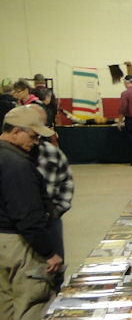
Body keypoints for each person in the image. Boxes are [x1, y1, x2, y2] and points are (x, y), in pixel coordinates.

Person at [0, 106, 62, 320]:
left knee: (4, 310)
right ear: (15, 132)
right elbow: (28, 216)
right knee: (31, 306)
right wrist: (48, 253)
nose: (35, 142)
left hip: (3, 243)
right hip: (19, 244)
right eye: (33, 136)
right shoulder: (17, 165)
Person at [27, 105, 73, 262]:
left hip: (50, 221)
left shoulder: (51, 152)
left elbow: (67, 182)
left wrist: (55, 211)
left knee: (55, 266)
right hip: (15, 228)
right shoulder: (9, 158)